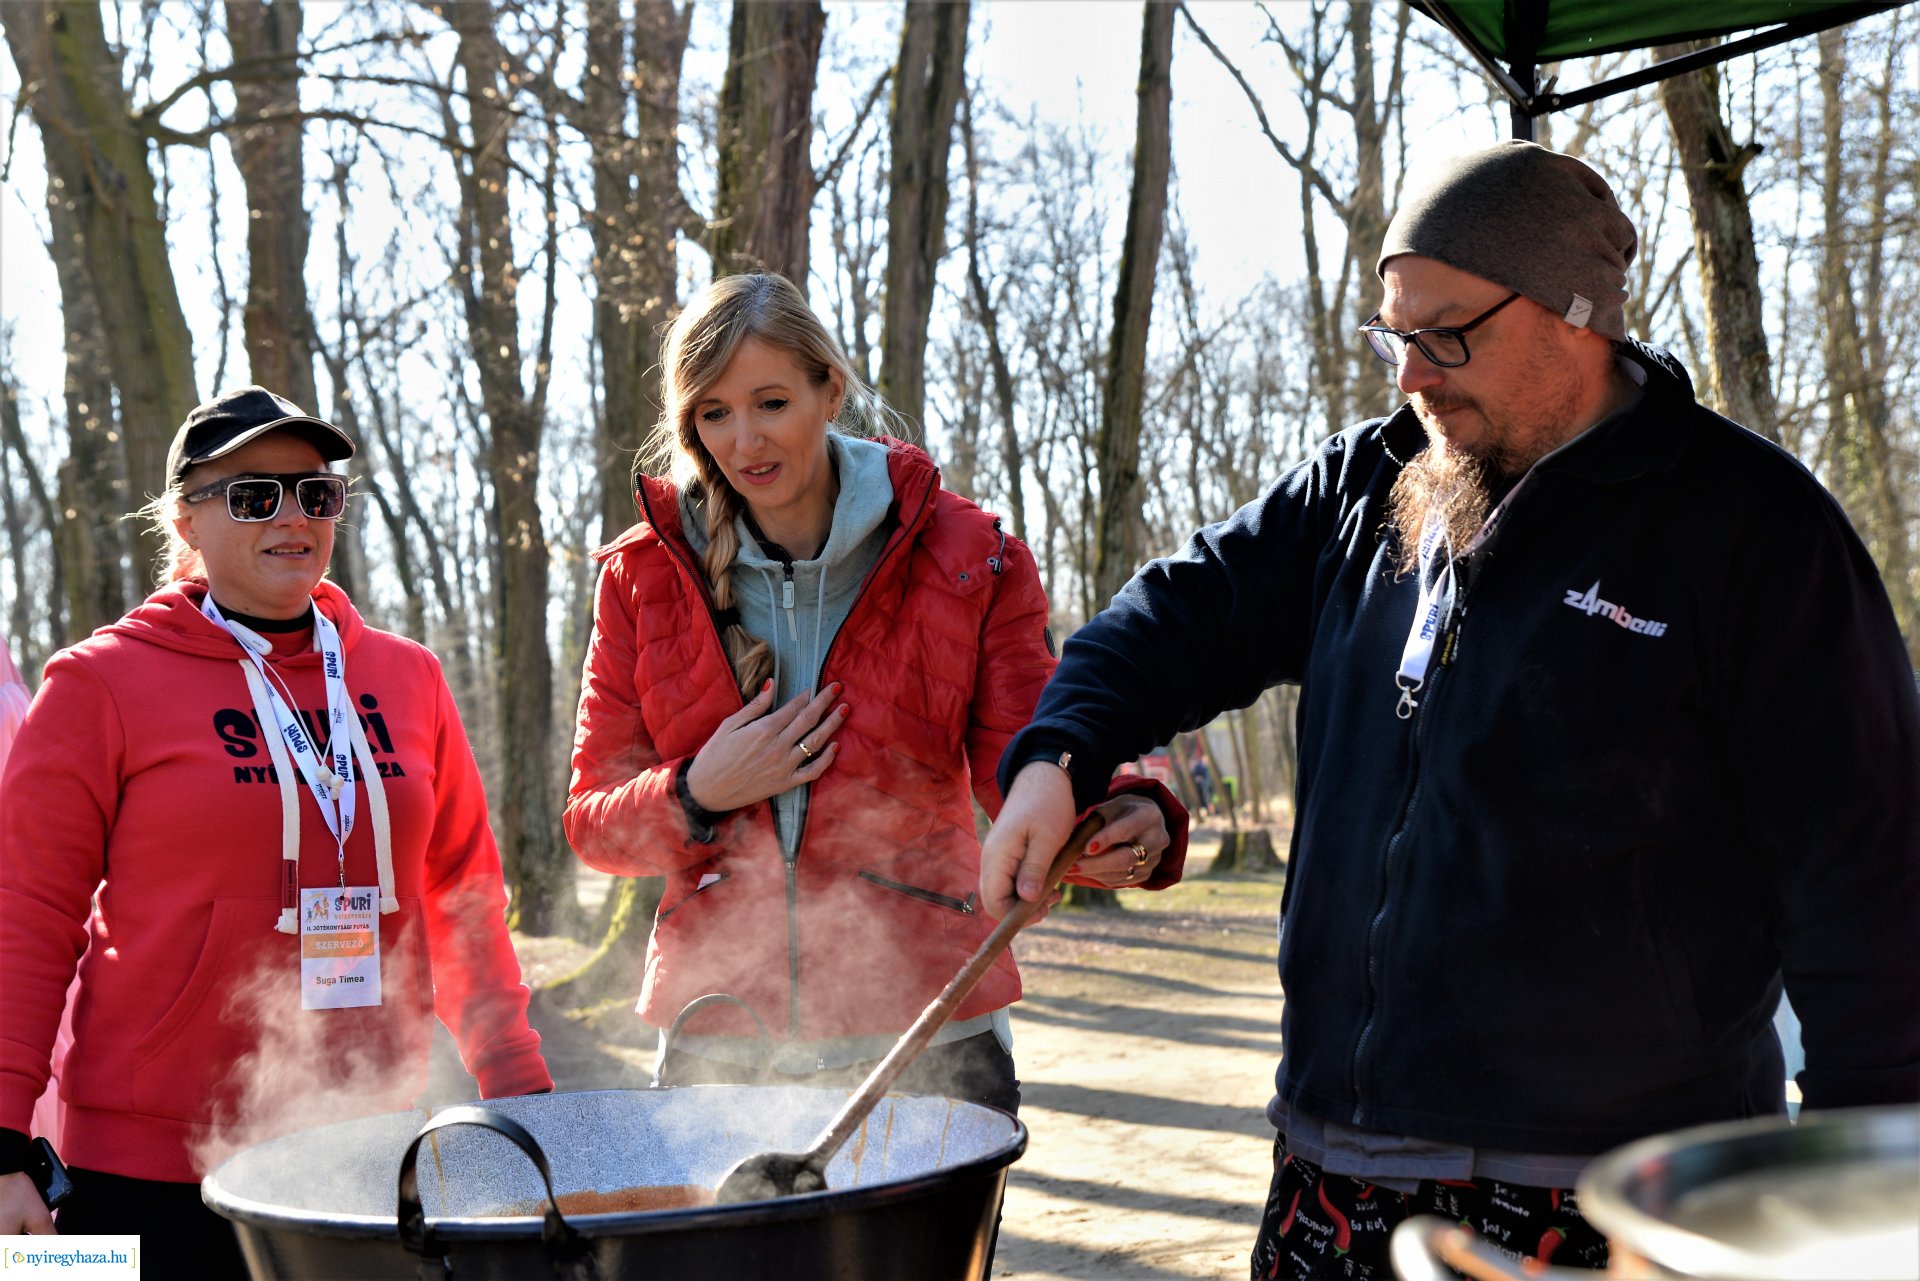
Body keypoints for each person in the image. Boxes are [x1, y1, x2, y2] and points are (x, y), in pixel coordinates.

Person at [980, 142, 1920, 1278]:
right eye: (1395, 334)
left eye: (1446, 335)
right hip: (1329, 1178)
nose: (1411, 376)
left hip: (1608, 1203)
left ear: (1576, 314)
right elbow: (1173, 615)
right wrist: (1057, 755)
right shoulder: (1362, 485)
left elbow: (1869, 882)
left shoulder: (1751, 528)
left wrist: (1869, 1185)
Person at [564, 272, 1185, 1112]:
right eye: (714, 412)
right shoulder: (640, 576)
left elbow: (1028, 759)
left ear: (830, 389)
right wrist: (699, 790)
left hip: (931, 1036)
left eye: (771, 401)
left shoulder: (971, 555)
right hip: (717, 1049)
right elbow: (593, 823)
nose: (745, 439)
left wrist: (1120, 808)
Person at [0, 387, 551, 1270]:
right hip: (148, 1172)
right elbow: (26, 913)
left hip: (367, 1150)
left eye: (316, 493)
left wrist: (525, 1096)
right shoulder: (99, 683)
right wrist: (3, 1139)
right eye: (255, 495)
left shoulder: (407, 678)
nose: (293, 516)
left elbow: (463, 903)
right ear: (185, 516)